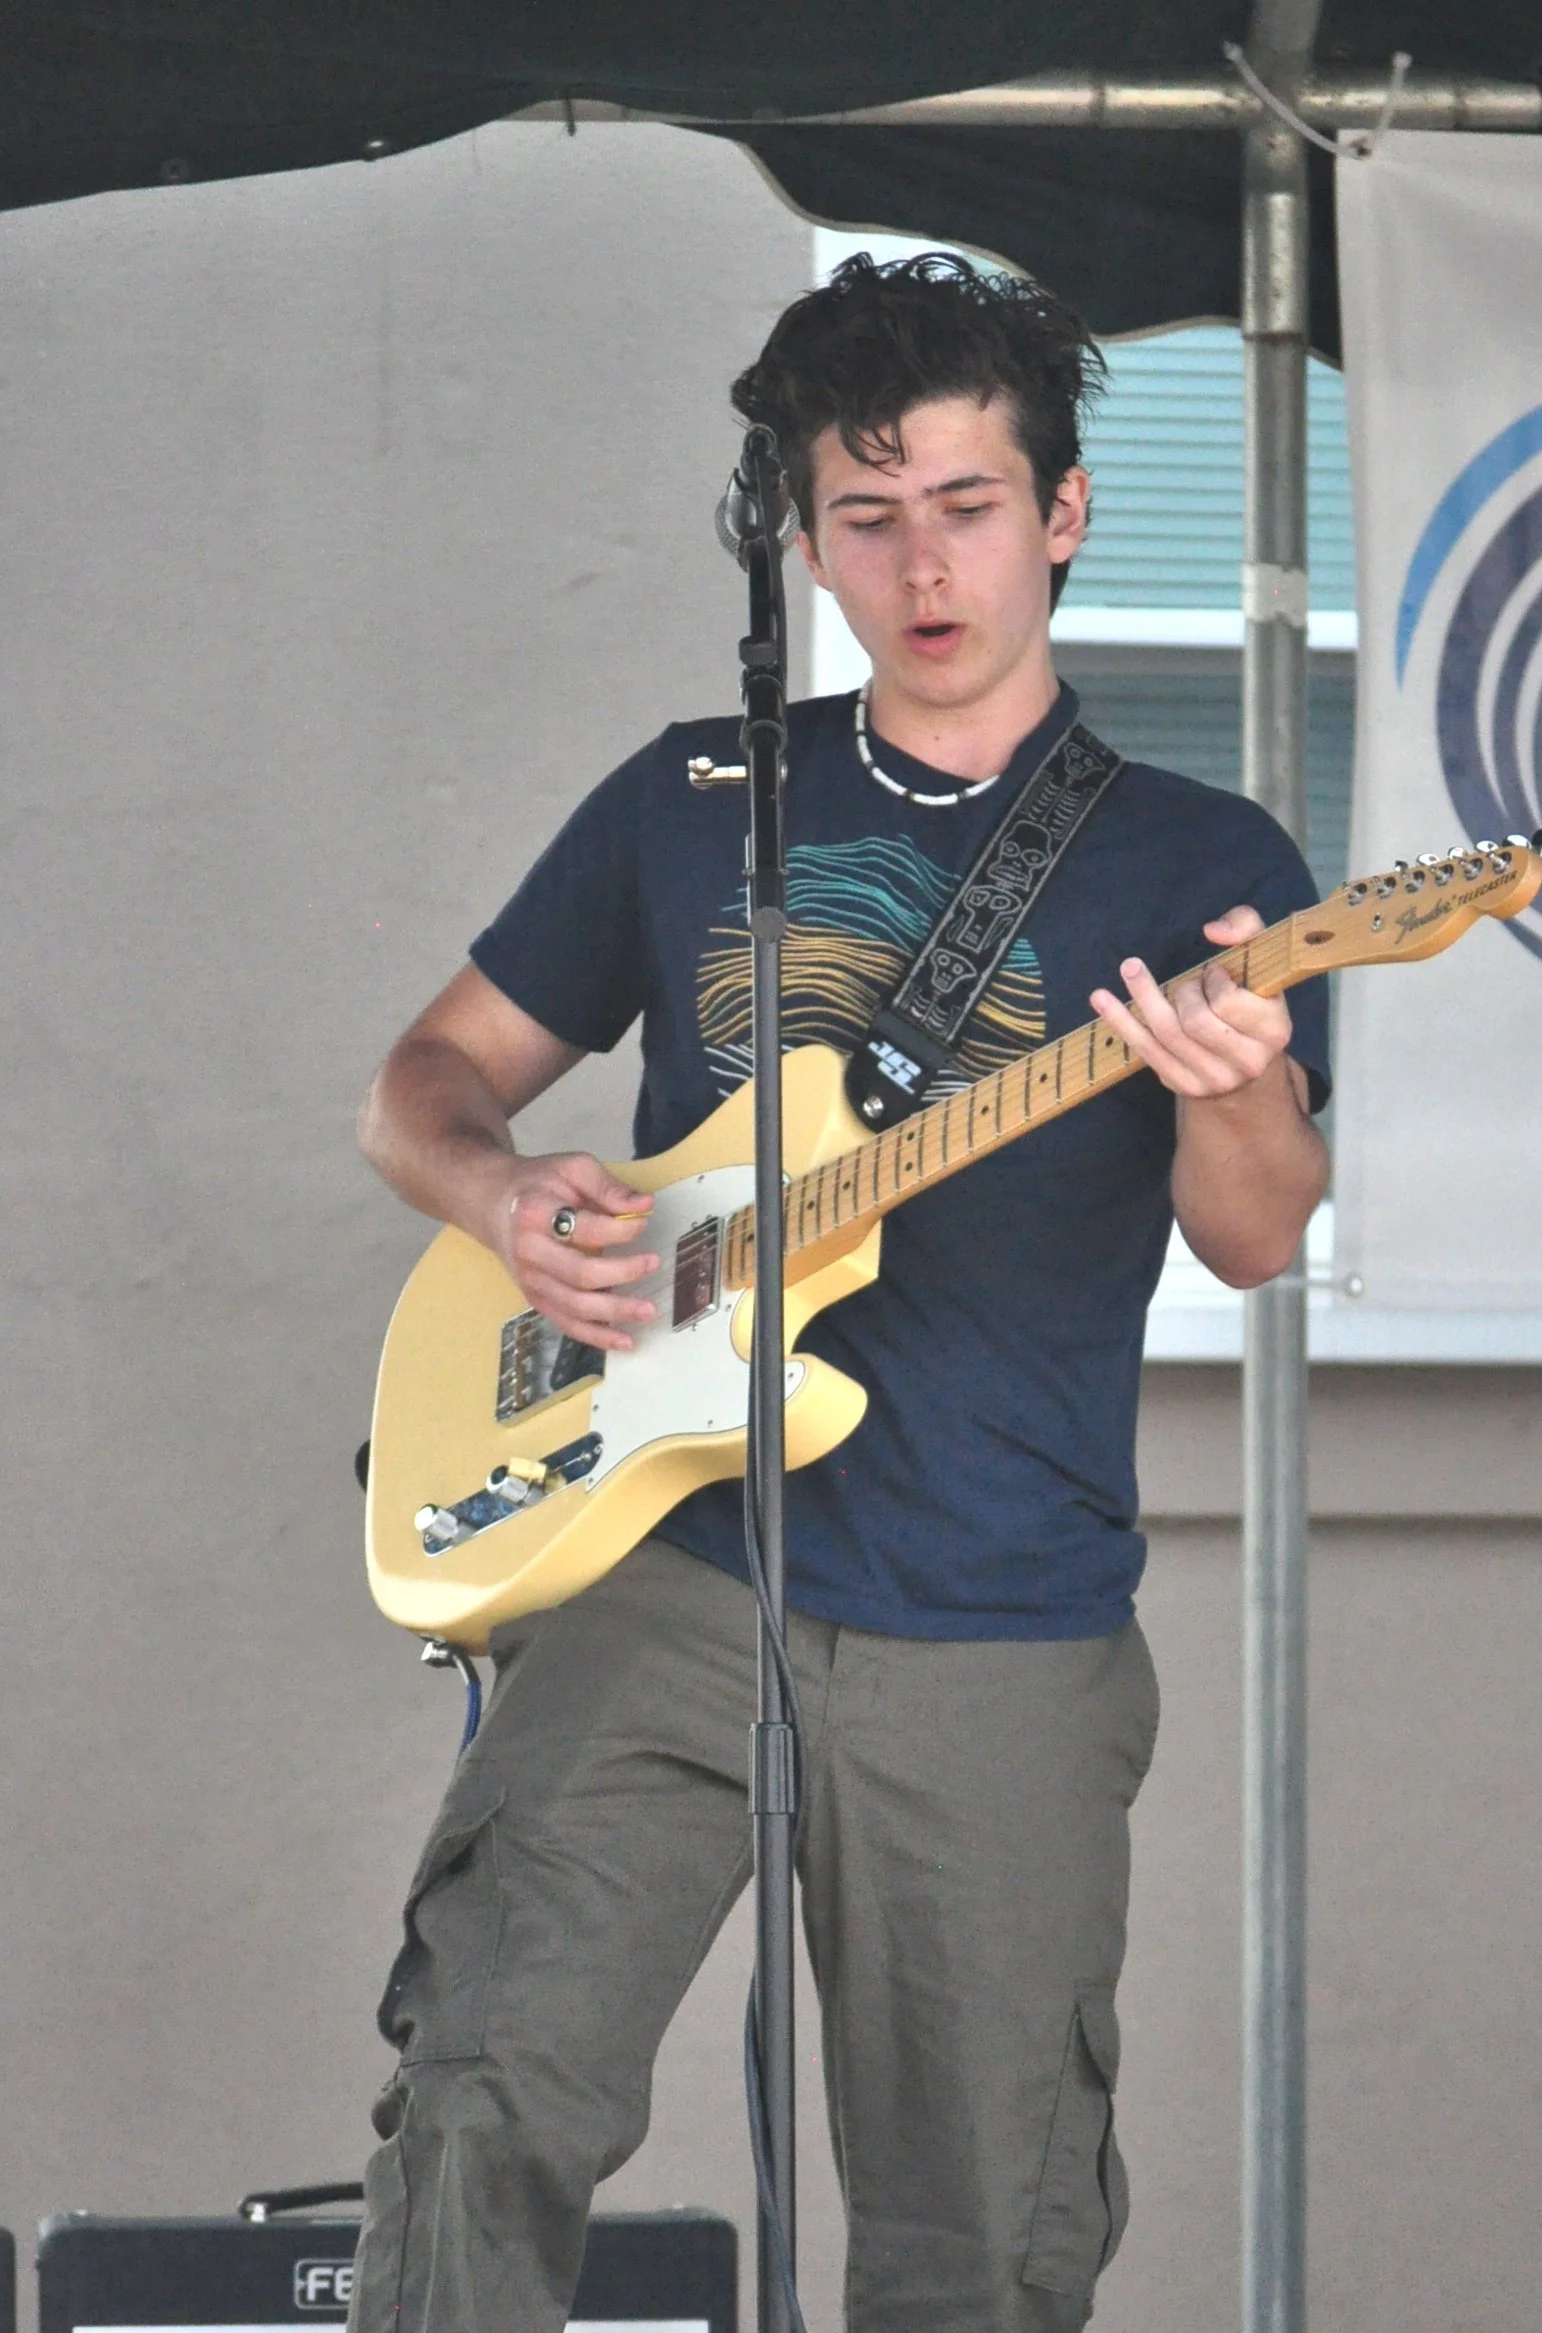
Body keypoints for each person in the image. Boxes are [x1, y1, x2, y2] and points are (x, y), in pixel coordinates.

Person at [348, 253, 1331, 2333]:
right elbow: (419, 1088)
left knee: (979, 2226)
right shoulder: (698, 797)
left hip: (997, 1608)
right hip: (665, 1556)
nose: (922, 564)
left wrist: (1232, 1095)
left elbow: (1255, 1236)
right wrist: (507, 1192)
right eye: (866, 518)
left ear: (1062, 514)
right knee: (487, 2085)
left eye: (968, 505)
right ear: (803, 536)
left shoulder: (1199, 851)